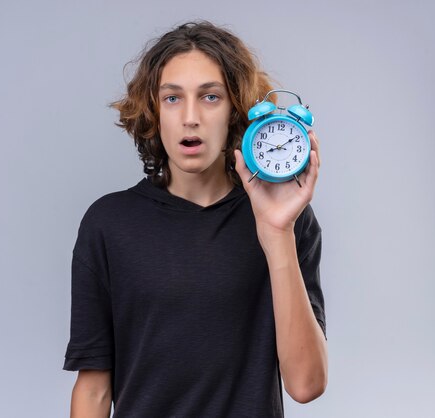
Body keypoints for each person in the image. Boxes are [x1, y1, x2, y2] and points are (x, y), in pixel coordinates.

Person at [63, 21, 327, 417]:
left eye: (210, 97)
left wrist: (277, 234)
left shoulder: (287, 221)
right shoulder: (108, 224)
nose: (190, 117)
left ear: (235, 110)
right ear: (153, 110)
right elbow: (95, 389)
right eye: (172, 98)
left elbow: (306, 385)